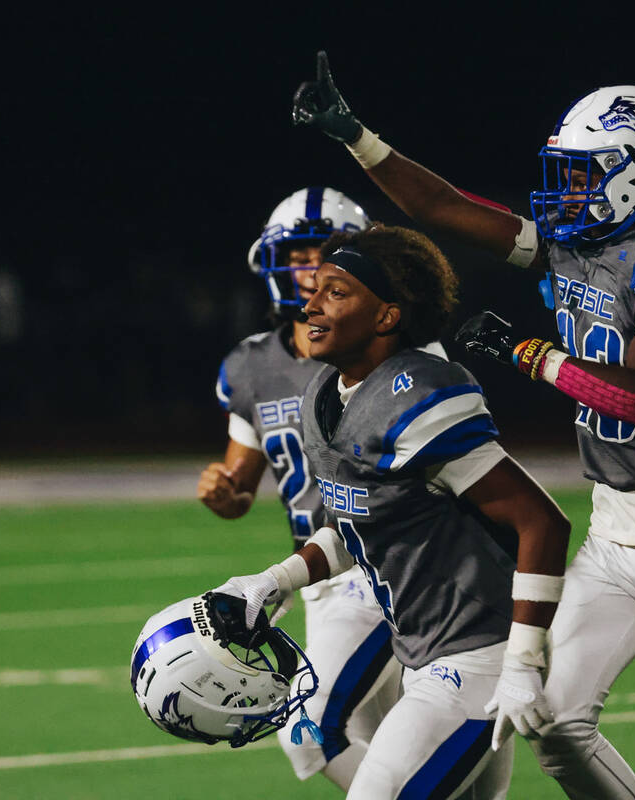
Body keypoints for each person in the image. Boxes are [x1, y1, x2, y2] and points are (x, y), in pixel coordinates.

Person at [291, 51, 635, 799]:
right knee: (550, 720)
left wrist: (527, 352)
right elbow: (444, 207)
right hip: (613, 527)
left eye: (586, 172)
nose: (567, 188)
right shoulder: (572, 246)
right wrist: (358, 137)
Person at [216, 223, 572, 799]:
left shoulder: (418, 396)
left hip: (477, 657)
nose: (310, 302)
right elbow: (357, 526)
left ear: (386, 316)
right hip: (424, 652)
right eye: (315, 290)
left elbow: (542, 522)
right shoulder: (325, 396)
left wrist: (524, 661)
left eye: (335, 291)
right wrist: (275, 580)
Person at [199, 187, 403, 789]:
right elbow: (243, 483)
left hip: (387, 561)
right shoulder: (251, 363)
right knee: (382, 738)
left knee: (307, 731)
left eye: (327, 253)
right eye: (298, 253)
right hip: (316, 575)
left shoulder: (384, 349)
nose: (310, 267)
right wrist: (225, 490)